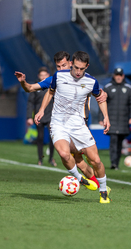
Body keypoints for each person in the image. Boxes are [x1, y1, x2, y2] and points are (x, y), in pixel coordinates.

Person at [15, 51, 107, 188]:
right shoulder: (56, 78)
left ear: (70, 63)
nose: (61, 69)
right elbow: (42, 91)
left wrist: (102, 97)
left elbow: (98, 93)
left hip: (80, 122)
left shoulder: (85, 78)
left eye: (63, 65)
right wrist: (40, 108)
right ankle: (94, 184)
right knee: (75, 159)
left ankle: (98, 184)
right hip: (61, 123)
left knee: (82, 159)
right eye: (58, 66)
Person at [35, 51, 111, 203]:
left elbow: (100, 98)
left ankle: (103, 190)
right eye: (75, 67)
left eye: (81, 69)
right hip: (58, 123)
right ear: (71, 64)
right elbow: (50, 92)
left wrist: (106, 116)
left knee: (95, 160)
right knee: (64, 154)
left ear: (86, 67)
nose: (77, 72)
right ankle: (80, 179)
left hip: (78, 124)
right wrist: (42, 109)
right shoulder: (59, 76)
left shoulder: (91, 81)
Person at [99, 68, 131, 170]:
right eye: (117, 75)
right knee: (113, 141)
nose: (118, 77)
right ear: (114, 76)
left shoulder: (128, 88)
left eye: (120, 75)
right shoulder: (108, 87)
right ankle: (113, 163)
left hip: (124, 120)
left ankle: (117, 163)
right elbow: (102, 102)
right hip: (112, 120)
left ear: (123, 76)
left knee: (120, 142)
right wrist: (101, 118)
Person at [26, 67, 57, 166]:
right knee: (40, 137)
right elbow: (30, 102)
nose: (43, 77)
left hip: (51, 115)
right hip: (39, 116)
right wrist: (29, 117)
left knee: (53, 137)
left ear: (48, 75)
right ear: (39, 76)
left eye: (45, 75)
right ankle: (40, 159)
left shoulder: (52, 85)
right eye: (41, 75)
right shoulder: (36, 87)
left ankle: (51, 158)